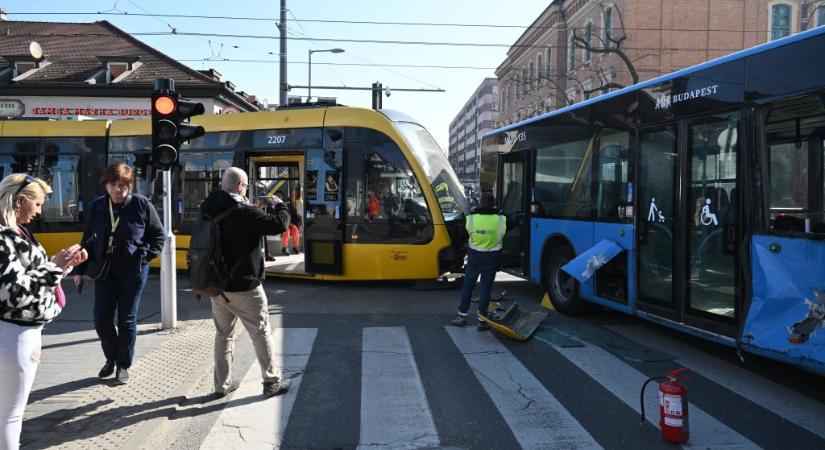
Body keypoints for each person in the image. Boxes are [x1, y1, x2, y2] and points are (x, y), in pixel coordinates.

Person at [0, 173, 88, 450]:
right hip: (14, 334)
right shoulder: (4, 238)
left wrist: (62, 266)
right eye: (37, 205)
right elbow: (11, 293)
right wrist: (53, 268)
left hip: (19, 333)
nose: (39, 212)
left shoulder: (16, 232)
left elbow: (28, 276)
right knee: (10, 416)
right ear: (19, 202)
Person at [200, 167, 292, 398]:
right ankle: (271, 381)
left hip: (217, 286)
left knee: (223, 335)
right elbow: (279, 224)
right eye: (246, 187)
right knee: (260, 332)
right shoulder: (244, 212)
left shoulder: (208, 208)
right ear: (241, 186)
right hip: (245, 286)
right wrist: (279, 205)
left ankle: (221, 386)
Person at [73, 163, 164, 385]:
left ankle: (123, 365)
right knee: (101, 318)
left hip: (133, 271)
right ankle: (111, 358)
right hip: (105, 270)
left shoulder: (141, 204)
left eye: (122, 185)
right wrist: (80, 269)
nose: (117, 190)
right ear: (106, 185)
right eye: (113, 185)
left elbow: (158, 236)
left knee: (126, 319)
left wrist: (143, 256)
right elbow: (88, 239)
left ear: (129, 186)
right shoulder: (97, 206)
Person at [451, 192, 506, 330]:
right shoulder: (500, 220)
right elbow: (508, 227)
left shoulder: (471, 219)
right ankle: (481, 320)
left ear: (480, 203)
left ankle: (461, 316)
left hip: (475, 258)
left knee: (468, 286)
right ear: (493, 204)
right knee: (485, 288)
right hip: (492, 258)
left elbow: (463, 235)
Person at [275, 190, 301, 255]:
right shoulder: (273, 206)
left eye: (280, 196)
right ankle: (285, 248)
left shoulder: (287, 205)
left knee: (295, 229)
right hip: (280, 224)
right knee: (286, 231)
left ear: (282, 197)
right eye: (277, 196)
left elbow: (293, 214)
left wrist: (292, 222)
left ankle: (295, 247)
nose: (279, 197)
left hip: (289, 223)